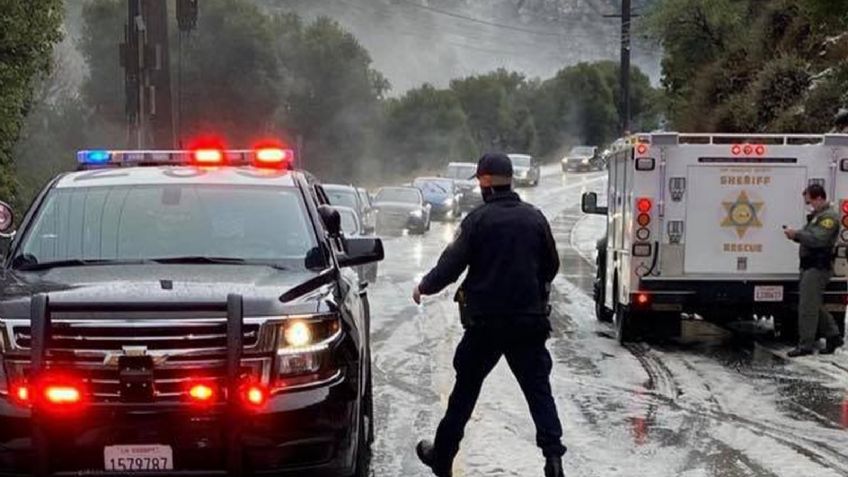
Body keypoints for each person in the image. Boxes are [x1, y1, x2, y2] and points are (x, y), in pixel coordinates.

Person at [411, 152, 566, 477]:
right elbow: (552, 266)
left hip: (485, 326)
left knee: (464, 393)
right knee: (539, 392)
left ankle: (442, 457)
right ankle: (553, 460)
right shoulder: (534, 218)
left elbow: (451, 266)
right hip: (528, 322)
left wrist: (424, 286)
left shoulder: (478, 221)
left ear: (484, 182)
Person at [783, 184, 845, 357]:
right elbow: (809, 237)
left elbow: (818, 239)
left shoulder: (829, 218)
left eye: (810, 201)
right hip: (810, 265)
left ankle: (805, 345)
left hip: (818, 266)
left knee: (807, 308)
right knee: (813, 304)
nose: (810, 205)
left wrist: (797, 234)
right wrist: (796, 236)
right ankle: (833, 335)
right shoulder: (817, 217)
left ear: (819, 198)